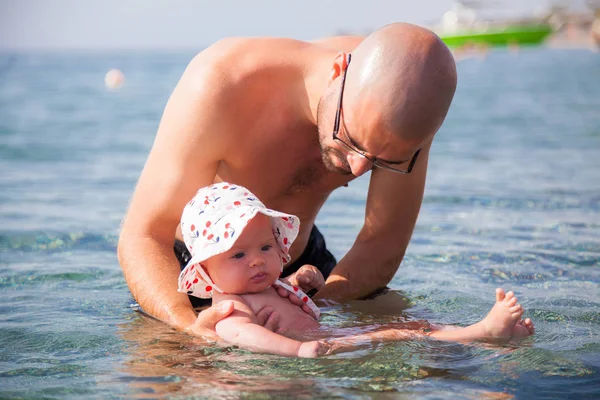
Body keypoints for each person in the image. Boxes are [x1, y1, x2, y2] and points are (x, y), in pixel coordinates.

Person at [117, 22, 459, 336]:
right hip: (203, 271)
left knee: (417, 349)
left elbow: (381, 241)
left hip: (302, 269)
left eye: (383, 161)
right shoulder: (224, 81)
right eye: (351, 140)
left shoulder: (412, 101)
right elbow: (145, 235)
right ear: (338, 72)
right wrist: (190, 328)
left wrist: (305, 305)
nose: (357, 169)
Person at [177, 182, 534, 358]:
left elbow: (278, 297)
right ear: (205, 268)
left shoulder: (256, 288)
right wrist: (296, 351)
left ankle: (485, 336)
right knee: (402, 334)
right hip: (320, 347)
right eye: (238, 255)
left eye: (266, 247)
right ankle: (484, 332)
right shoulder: (229, 306)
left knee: (409, 328)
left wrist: (297, 281)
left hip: (325, 337)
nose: (257, 260)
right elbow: (241, 335)